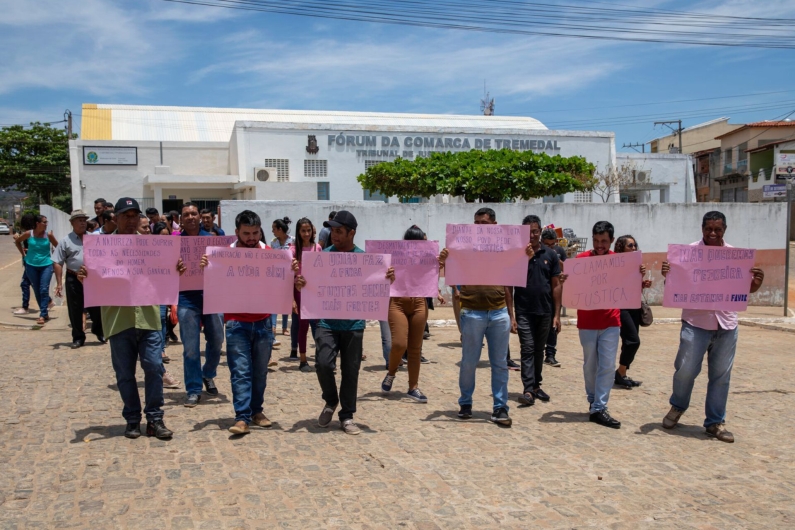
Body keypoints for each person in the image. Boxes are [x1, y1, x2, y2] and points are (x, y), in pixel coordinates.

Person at [77, 197, 183, 439]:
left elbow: (166, 275)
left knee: (155, 368)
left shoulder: (153, 248)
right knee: (125, 373)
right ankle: (133, 419)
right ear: (116, 219)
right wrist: (85, 275)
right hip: (118, 319)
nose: (131, 220)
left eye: (135, 215)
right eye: (126, 215)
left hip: (149, 318)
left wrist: (175, 269)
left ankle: (155, 419)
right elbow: (91, 277)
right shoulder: (100, 248)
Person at [661, 211, 765, 443]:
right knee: (686, 369)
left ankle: (715, 422)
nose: (713, 233)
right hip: (696, 322)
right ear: (702, 229)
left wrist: (756, 283)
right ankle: (677, 406)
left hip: (726, 324)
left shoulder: (735, 257)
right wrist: (668, 275)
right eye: (709, 228)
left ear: (724, 230)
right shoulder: (687, 254)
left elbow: (744, 290)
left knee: (721, 376)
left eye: (717, 229)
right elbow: (676, 286)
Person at [295, 210, 395, 435]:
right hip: (325, 322)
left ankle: (347, 415)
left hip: (353, 325)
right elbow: (308, 284)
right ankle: (331, 400)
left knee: (351, 370)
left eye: (339, 231)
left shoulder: (365, 260)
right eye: (332, 230)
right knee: (322, 364)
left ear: (352, 232)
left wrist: (387, 278)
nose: (334, 235)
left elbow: (377, 287)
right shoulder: (321, 258)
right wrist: (301, 282)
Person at [438, 207, 531, 427]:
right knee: (469, 363)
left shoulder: (504, 248)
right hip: (471, 311)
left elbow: (515, 275)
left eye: (484, 224)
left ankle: (500, 407)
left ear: (495, 226)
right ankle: (466, 402)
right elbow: (444, 272)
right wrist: (443, 259)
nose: (479, 228)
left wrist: (525, 255)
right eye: (476, 223)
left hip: (498, 312)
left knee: (499, 363)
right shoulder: (461, 248)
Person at [201, 210, 280, 435]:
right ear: (237, 232)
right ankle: (242, 416)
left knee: (260, 371)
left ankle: (257, 411)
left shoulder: (270, 253)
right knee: (241, 370)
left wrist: (290, 271)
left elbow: (280, 283)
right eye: (246, 233)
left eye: (255, 233)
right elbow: (214, 283)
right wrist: (207, 267)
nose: (252, 238)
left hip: (263, 322)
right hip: (236, 322)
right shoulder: (225, 256)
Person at [575, 221, 646, 430]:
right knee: (590, 365)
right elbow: (572, 286)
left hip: (611, 321)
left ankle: (599, 407)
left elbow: (631, 287)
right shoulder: (580, 261)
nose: (599, 245)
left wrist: (639, 275)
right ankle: (592, 398)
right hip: (587, 322)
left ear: (612, 241)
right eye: (596, 241)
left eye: (604, 241)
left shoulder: (620, 262)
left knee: (606, 366)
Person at [178, 202, 225, 407]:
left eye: (193, 213)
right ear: (181, 219)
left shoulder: (213, 242)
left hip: (212, 297)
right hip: (186, 300)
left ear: (200, 216)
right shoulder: (174, 244)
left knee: (216, 340)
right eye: (186, 214)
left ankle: (208, 373)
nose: (190, 217)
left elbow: (224, 269)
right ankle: (193, 389)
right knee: (190, 347)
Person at [511, 215, 562, 406]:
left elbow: (556, 285)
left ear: (540, 231)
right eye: (527, 231)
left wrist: (557, 315)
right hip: (524, 310)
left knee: (539, 350)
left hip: (545, 311)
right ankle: (528, 389)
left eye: (534, 231)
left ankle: (536, 386)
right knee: (527, 349)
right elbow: (509, 286)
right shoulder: (517, 255)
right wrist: (512, 315)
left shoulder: (550, 255)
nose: (531, 235)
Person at [381, 225, 432, 403]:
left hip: (419, 302)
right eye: (423, 242)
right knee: (399, 343)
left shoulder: (427, 259)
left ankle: (413, 387)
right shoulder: (396, 258)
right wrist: (388, 274)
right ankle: (391, 372)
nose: (427, 245)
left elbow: (437, 274)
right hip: (397, 302)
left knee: (415, 348)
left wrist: (441, 262)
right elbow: (381, 276)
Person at [52, 210, 105, 348]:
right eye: (79, 220)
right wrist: (59, 283)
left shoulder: (94, 238)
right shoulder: (65, 241)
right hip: (73, 277)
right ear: (72, 223)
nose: (82, 222)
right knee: (75, 309)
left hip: (92, 278)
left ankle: (99, 330)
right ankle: (78, 337)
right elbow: (57, 261)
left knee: (96, 307)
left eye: (84, 220)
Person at [613, 235, 653, 389]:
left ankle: (622, 373)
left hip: (634, 305)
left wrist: (642, 282)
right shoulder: (614, 263)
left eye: (635, 245)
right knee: (633, 341)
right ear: (621, 247)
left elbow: (631, 286)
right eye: (630, 245)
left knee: (629, 342)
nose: (634, 248)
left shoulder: (637, 265)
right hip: (621, 306)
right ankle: (620, 371)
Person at [151, 222, 182, 390]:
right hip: (149, 293)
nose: (164, 238)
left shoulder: (172, 252)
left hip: (164, 292)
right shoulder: (149, 252)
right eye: (160, 235)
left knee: (162, 320)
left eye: (166, 235)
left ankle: (161, 348)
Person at [289, 217, 321, 372]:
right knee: (303, 325)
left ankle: (321, 357)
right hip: (300, 291)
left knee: (319, 324)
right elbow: (288, 274)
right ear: (298, 231)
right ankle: (303, 359)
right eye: (303, 230)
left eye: (308, 230)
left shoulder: (317, 248)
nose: (306, 233)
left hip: (315, 291)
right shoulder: (293, 250)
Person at [14, 215, 57, 325]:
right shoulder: (29, 234)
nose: (46, 224)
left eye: (46, 222)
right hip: (31, 265)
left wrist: (56, 260)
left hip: (46, 265)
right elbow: (17, 241)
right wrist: (23, 255)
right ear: (37, 223)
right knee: (37, 290)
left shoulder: (49, 235)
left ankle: (42, 314)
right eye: (44, 222)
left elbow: (59, 247)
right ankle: (44, 312)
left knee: (43, 289)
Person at [541, 228, 567, 367]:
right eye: (547, 245)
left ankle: (550, 354)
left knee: (554, 324)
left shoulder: (559, 252)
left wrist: (558, 261)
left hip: (555, 293)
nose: (550, 248)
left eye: (552, 245)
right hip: (542, 293)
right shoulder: (538, 252)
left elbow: (568, 269)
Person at [270, 217, 294, 337]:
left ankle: (284, 327)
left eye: (274, 229)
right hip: (276, 276)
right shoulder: (273, 242)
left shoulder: (293, 241)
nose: (272, 231)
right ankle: (273, 326)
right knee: (275, 301)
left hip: (289, 275)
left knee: (286, 301)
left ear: (280, 229)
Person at [12, 213, 35, 315]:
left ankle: (25, 307)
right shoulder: (35, 232)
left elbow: (22, 244)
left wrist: (18, 238)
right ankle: (48, 301)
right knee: (33, 283)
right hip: (32, 260)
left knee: (25, 284)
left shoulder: (28, 233)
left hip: (29, 260)